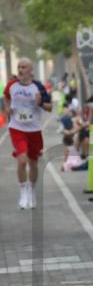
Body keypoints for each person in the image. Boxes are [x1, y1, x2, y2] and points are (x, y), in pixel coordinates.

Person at [4, 57, 52, 209]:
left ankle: (31, 191)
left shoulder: (38, 87)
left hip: (34, 130)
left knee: (33, 163)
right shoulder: (11, 85)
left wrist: (40, 103)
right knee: (22, 160)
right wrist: (7, 108)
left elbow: (49, 107)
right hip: (17, 128)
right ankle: (23, 191)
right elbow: (6, 97)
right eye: (19, 67)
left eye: (23, 67)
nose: (20, 69)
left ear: (31, 70)